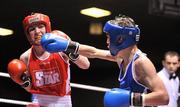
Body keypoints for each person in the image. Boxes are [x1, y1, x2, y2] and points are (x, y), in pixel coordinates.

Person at [40, 14, 169, 107]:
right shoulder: (122, 57)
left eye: (109, 37)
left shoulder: (141, 63)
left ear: (120, 39)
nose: (107, 42)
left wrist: (130, 99)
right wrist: (67, 45)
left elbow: (164, 97)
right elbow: (94, 52)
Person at [7, 13, 90, 107]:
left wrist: (69, 49)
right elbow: (30, 88)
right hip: (38, 101)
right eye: (32, 29)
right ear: (28, 34)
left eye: (40, 26)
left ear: (47, 28)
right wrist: (22, 81)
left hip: (62, 101)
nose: (37, 31)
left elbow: (86, 65)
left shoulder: (60, 48)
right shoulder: (25, 57)